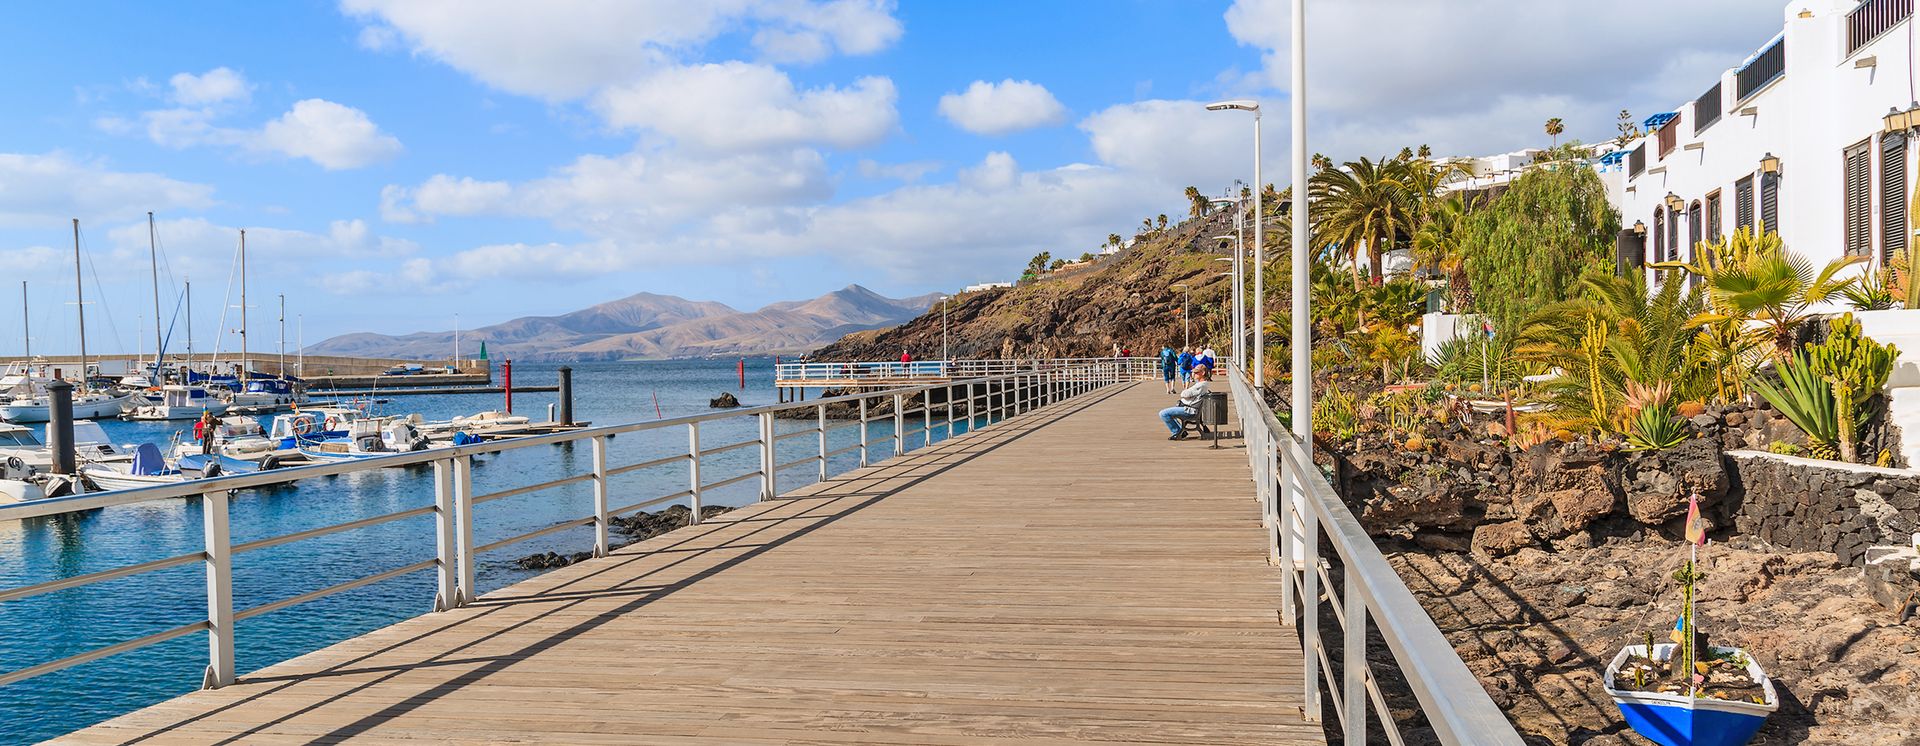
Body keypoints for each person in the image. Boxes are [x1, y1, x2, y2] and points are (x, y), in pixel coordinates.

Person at [1159, 365, 1212, 440]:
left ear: (1202, 373)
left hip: (1190, 411)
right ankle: (1180, 431)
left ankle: (1177, 432)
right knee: (1171, 412)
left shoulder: (1201, 385)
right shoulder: (1202, 384)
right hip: (1191, 409)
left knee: (1163, 413)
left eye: (1196, 372)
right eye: (1193, 372)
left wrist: (1185, 391)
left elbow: (1184, 394)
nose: (1193, 374)